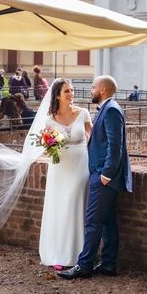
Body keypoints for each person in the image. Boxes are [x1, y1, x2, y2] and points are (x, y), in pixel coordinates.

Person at [58, 75, 131, 279]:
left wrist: (106, 175)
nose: (90, 91)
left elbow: (115, 146)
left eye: (92, 87)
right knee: (107, 221)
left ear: (102, 90)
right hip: (101, 174)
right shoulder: (108, 108)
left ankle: (84, 265)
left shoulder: (112, 110)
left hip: (104, 177)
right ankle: (108, 264)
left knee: (92, 222)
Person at [39, 79, 92, 268]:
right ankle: (59, 253)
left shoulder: (83, 113)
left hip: (80, 166)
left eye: (72, 90)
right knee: (60, 208)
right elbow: (45, 149)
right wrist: (49, 146)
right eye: (67, 91)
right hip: (60, 168)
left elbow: (93, 138)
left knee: (77, 204)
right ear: (57, 95)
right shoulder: (48, 120)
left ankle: (82, 253)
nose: (71, 94)